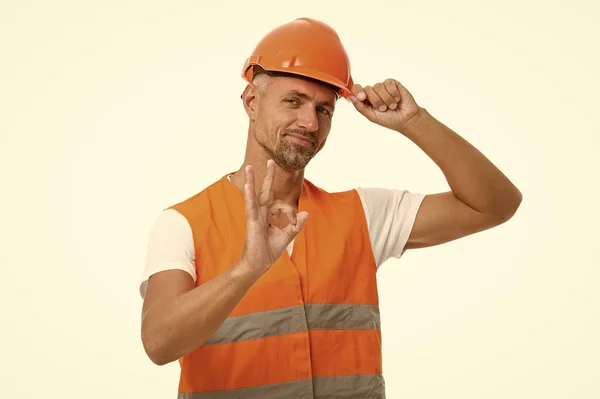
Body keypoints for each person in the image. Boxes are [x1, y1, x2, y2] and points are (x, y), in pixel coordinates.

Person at [139, 17, 522, 399]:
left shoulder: (364, 214)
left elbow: (495, 205)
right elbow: (158, 343)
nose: (309, 122)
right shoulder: (182, 223)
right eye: (293, 101)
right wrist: (246, 271)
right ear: (252, 102)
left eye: (324, 110)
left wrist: (415, 122)